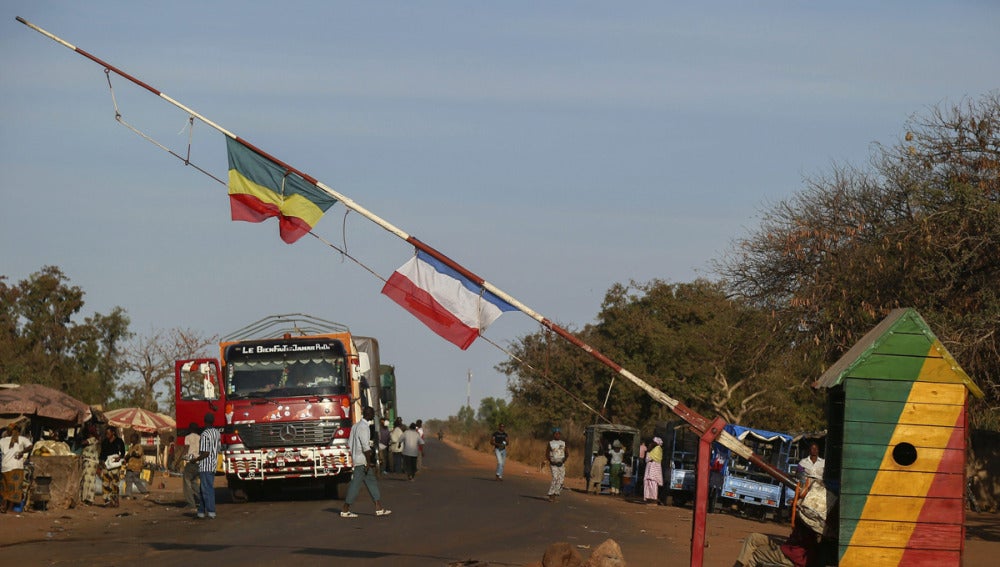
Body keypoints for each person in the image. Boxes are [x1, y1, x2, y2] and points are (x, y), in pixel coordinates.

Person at [341, 406, 391, 518]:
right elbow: (365, 447)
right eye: (373, 413)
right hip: (362, 461)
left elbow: (350, 444)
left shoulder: (355, 426)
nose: (373, 416)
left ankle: (379, 508)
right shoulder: (364, 427)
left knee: (371, 482)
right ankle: (345, 509)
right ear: (368, 414)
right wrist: (368, 462)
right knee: (355, 485)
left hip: (357, 459)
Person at [733, 521, 819, 567]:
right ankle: (739, 564)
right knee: (753, 537)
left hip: (793, 555)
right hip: (790, 545)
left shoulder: (810, 517)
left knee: (755, 554)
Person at [0, 423, 33, 513]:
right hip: (16, 467)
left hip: (4, 467)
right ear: (18, 431)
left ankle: (4, 507)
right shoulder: (22, 439)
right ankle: (10, 509)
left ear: (7, 431)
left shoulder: (2, 440)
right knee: (14, 489)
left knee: (5, 488)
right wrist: (22, 452)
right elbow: (30, 446)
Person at [194, 413, 220, 519]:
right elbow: (218, 449)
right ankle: (201, 511)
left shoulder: (205, 434)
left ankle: (211, 510)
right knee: (204, 488)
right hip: (213, 464)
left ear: (204, 421)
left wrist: (195, 459)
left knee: (206, 489)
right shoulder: (217, 433)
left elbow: (205, 453)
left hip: (205, 465)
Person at [99, 426, 126, 508]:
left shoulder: (119, 441)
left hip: (115, 464)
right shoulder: (104, 442)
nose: (107, 434)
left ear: (113, 433)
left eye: (108, 433)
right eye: (106, 433)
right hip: (106, 464)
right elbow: (102, 454)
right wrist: (102, 461)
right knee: (106, 483)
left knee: (114, 483)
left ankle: (115, 500)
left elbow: (123, 452)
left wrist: (119, 457)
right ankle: (107, 501)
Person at [181, 422, 202, 511]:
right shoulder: (200, 438)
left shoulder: (188, 437)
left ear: (190, 429)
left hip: (191, 462)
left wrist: (179, 461)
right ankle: (202, 500)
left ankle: (191, 503)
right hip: (199, 462)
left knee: (187, 482)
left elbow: (186, 449)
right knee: (194, 482)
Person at [123, 433, 150, 499]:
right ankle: (128, 495)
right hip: (130, 467)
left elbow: (138, 454)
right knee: (128, 481)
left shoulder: (139, 447)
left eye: (132, 438)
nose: (131, 439)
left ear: (136, 439)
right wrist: (126, 458)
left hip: (136, 468)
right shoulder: (131, 447)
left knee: (136, 481)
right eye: (131, 438)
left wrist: (131, 454)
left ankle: (145, 492)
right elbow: (128, 456)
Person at [79, 428, 100, 505]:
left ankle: (86, 498)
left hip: (90, 461)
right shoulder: (95, 439)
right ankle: (89, 498)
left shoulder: (92, 439)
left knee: (87, 480)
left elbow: (83, 443)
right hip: (91, 461)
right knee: (90, 480)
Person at [545, 428, 568, 502]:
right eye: (555, 434)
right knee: (555, 478)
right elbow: (547, 454)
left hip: (561, 464)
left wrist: (563, 461)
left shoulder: (563, 443)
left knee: (561, 480)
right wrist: (551, 461)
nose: (557, 435)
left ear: (560, 435)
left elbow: (567, 454)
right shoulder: (550, 443)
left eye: (558, 434)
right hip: (553, 464)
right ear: (553, 434)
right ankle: (551, 494)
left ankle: (555, 494)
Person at [643, 436, 664, 504]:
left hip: (654, 467)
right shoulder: (652, 449)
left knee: (653, 482)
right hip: (649, 467)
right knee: (648, 482)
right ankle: (648, 497)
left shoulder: (657, 449)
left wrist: (649, 456)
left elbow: (650, 458)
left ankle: (653, 498)